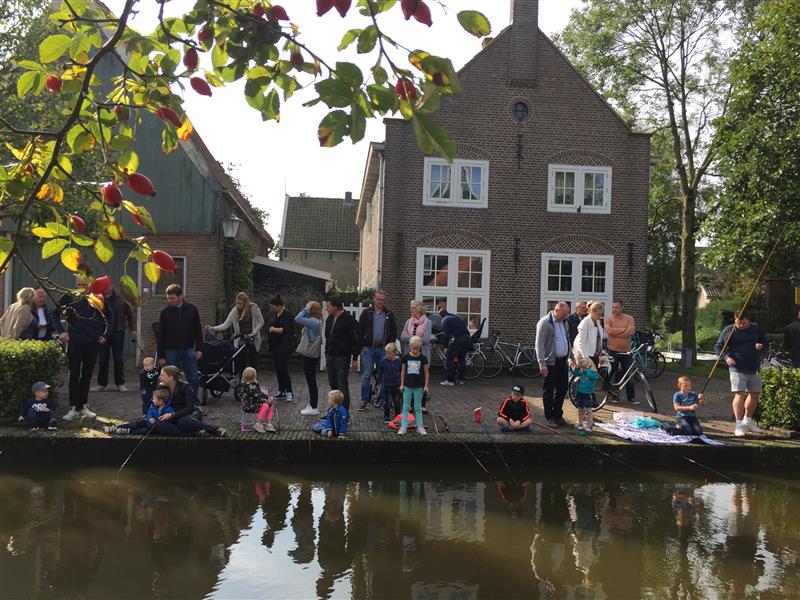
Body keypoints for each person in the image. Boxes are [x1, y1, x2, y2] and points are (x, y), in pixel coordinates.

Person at [59, 277, 113, 420]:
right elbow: (53, 313)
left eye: (84, 284)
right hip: (75, 341)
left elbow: (111, 316)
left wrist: (106, 334)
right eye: (79, 284)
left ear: (90, 284)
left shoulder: (97, 297)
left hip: (92, 341)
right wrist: (61, 331)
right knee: (74, 374)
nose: (81, 287)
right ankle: (73, 407)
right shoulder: (68, 296)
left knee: (87, 374)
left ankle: (83, 406)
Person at [714, 310, 768, 437]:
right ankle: (738, 424)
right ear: (735, 319)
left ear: (748, 320)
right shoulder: (729, 330)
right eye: (738, 322)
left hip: (754, 367)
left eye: (743, 323)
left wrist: (761, 346)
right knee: (740, 394)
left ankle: (747, 420)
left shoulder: (755, 328)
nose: (740, 325)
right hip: (736, 367)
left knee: (755, 394)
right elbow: (718, 347)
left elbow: (765, 343)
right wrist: (726, 358)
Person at [157, 284, 203, 401]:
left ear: (180, 296)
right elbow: (160, 335)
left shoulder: (192, 310)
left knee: (193, 376)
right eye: (168, 298)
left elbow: (198, 330)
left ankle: (192, 400)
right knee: (171, 378)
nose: (170, 300)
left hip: (188, 348)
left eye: (172, 298)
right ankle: (173, 400)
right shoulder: (165, 313)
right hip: (170, 350)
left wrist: (199, 348)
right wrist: (161, 355)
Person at [154, 365, 225, 437]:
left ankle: (214, 429)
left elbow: (189, 408)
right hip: (171, 417)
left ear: (171, 377)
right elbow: (155, 404)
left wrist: (172, 414)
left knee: (183, 422)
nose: (159, 377)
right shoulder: (161, 388)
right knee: (160, 425)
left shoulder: (185, 387)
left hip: (188, 415)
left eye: (162, 375)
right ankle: (193, 434)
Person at [356, 290, 398, 411]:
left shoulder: (389, 314)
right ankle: (364, 401)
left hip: (383, 350)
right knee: (366, 375)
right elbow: (360, 330)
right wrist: (363, 346)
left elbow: (393, 331)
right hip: (368, 349)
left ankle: (383, 400)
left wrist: (390, 346)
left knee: (384, 376)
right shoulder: (366, 313)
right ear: (374, 299)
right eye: (378, 299)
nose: (380, 302)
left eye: (382, 300)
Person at [206, 292, 265, 375]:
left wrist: (254, 332)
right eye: (237, 303)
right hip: (241, 339)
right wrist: (213, 328)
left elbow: (261, 322)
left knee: (253, 363)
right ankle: (242, 380)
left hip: (253, 339)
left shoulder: (254, 308)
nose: (238, 305)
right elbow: (226, 324)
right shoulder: (234, 311)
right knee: (242, 363)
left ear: (245, 303)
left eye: (241, 304)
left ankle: (254, 380)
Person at [93, 285, 136, 392]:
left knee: (118, 359)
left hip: (118, 332)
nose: (106, 288)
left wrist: (133, 330)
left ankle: (120, 383)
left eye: (108, 286)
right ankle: (101, 384)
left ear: (112, 285)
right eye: (104, 286)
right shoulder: (99, 298)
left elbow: (129, 315)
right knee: (103, 359)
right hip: (103, 333)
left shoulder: (121, 298)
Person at [535, 301, 571, 427]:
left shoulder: (564, 322)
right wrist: (542, 363)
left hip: (563, 361)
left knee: (562, 389)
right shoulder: (545, 323)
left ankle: (558, 414)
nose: (566, 316)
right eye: (564, 314)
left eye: (567, 313)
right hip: (550, 362)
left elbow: (567, 340)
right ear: (556, 310)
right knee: (549, 390)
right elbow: (539, 344)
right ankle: (549, 416)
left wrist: (571, 357)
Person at [323, 295, 360, 412]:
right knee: (333, 385)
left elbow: (356, 339)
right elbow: (327, 336)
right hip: (330, 355)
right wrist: (327, 352)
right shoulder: (330, 318)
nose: (326, 309)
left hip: (342, 357)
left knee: (342, 385)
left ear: (335, 307)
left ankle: (344, 413)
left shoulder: (348, 319)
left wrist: (355, 357)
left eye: (328, 306)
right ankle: (334, 411)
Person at [604, 300, 637, 404]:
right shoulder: (608, 318)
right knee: (612, 374)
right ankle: (614, 396)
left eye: (617, 307)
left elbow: (630, 332)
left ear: (622, 308)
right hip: (612, 350)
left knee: (629, 374)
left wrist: (616, 332)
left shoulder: (629, 318)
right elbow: (609, 331)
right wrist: (623, 330)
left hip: (626, 351)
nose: (614, 309)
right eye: (613, 307)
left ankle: (631, 397)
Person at [104, 387, 173, 435]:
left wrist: (156, 422)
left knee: (143, 431)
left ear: (160, 401)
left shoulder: (168, 410)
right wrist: (150, 418)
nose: (152, 400)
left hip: (153, 429)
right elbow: (149, 414)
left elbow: (166, 422)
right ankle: (115, 428)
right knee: (135, 424)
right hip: (147, 422)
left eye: (154, 399)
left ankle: (127, 431)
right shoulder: (153, 406)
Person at [295, 301, 323, 416]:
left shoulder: (313, 321)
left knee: (311, 381)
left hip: (309, 355)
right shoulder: (315, 321)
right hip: (311, 355)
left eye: (308, 306)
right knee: (311, 380)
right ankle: (312, 404)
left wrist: (305, 309)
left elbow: (297, 318)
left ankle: (313, 406)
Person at [399, 336, 429, 435]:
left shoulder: (423, 358)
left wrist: (426, 385)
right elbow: (403, 371)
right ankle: (403, 426)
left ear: (420, 347)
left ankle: (420, 426)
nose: (415, 351)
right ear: (410, 347)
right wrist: (402, 384)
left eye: (417, 349)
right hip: (407, 386)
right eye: (413, 348)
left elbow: (426, 373)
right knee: (405, 407)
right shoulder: (405, 358)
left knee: (418, 407)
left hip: (419, 387)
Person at [267, 294, 295, 401]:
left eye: (274, 307)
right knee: (278, 368)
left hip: (284, 346)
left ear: (279, 305)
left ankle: (289, 391)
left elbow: (286, 329)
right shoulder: (276, 314)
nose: (273, 309)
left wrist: (273, 329)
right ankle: (281, 390)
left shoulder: (287, 315)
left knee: (283, 368)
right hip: (275, 345)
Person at [437, 305, 470, 386]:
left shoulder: (445, 320)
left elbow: (446, 335)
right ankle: (461, 380)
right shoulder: (455, 317)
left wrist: (445, 346)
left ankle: (450, 380)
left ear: (440, 315)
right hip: (467, 338)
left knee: (450, 359)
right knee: (461, 359)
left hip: (458, 339)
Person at [237, 367, 276, 434]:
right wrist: (267, 399)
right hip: (250, 406)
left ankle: (268, 424)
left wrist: (266, 399)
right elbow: (258, 395)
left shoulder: (241, 385)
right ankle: (258, 424)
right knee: (266, 405)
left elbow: (258, 395)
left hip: (252, 404)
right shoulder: (251, 385)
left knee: (269, 405)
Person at [377, 342, 401, 424]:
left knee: (397, 401)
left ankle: (398, 416)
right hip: (387, 385)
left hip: (397, 385)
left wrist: (402, 383)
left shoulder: (399, 361)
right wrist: (379, 382)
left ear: (394, 353)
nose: (387, 355)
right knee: (388, 401)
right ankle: (386, 416)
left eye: (389, 354)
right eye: (386, 353)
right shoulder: (383, 361)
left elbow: (402, 372)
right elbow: (380, 373)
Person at [574, 359, 599, 433]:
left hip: (588, 394)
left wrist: (587, 368)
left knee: (589, 410)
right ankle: (580, 423)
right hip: (580, 393)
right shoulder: (583, 372)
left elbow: (589, 375)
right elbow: (575, 374)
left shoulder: (594, 374)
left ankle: (589, 425)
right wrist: (577, 367)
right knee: (580, 409)